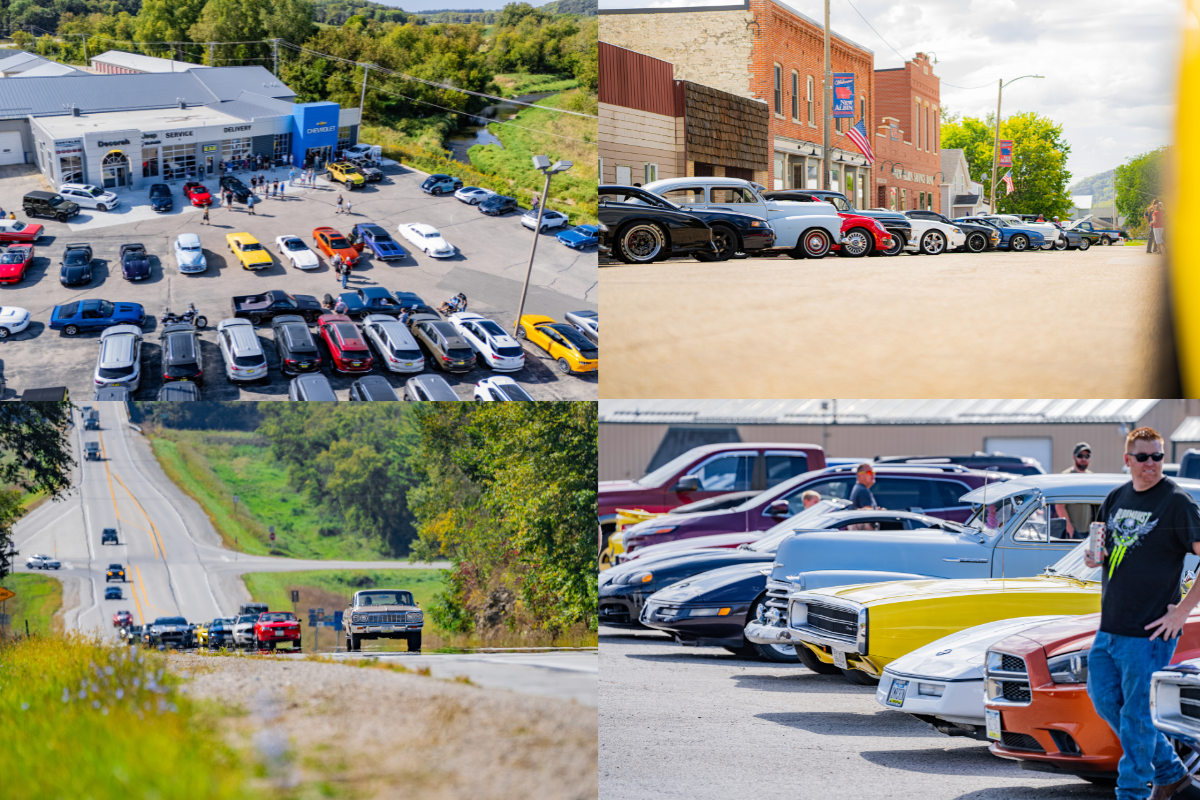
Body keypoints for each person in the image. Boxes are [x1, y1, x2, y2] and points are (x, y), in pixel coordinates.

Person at [1085, 426, 1200, 800]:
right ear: (1127, 460)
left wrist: (1182, 612)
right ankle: (1170, 772)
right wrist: (1094, 555)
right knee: (1104, 700)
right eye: (1143, 457)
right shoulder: (1117, 496)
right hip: (1110, 628)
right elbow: (1099, 540)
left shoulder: (1177, 502)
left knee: (1136, 717)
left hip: (1150, 634)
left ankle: (1131, 793)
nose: (1151, 463)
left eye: (1157, 456)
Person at [1055, 443, 1094, 538]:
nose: (1083, 459)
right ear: (1074, 457)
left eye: (1087, 456)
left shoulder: (1092, 477)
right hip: (1074, 532)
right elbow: (1059, 506)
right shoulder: (1067, 476)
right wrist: (1070, 530)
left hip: (1090, 531)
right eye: (1080, 456)